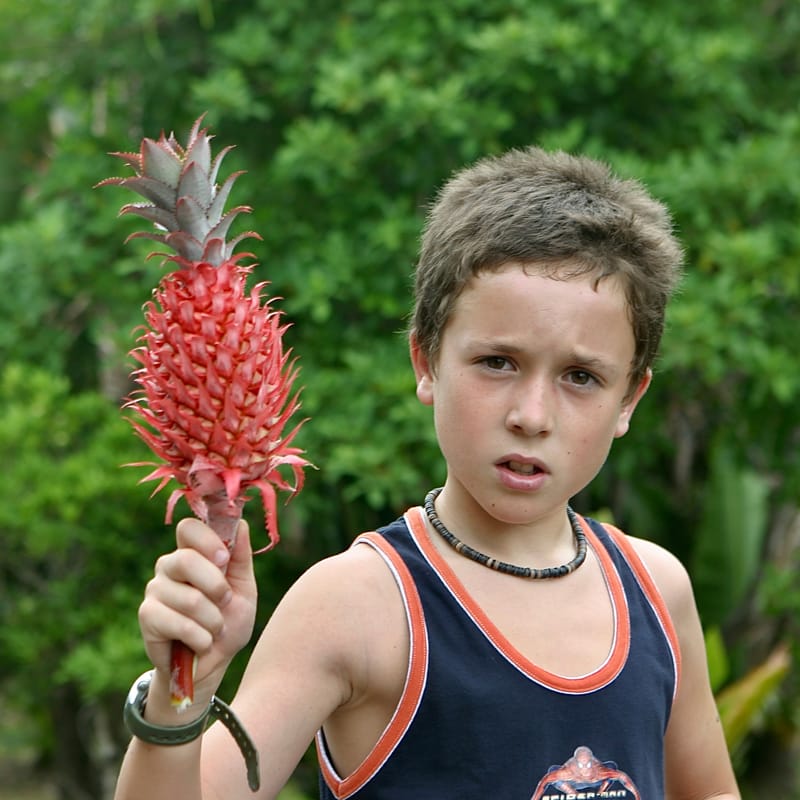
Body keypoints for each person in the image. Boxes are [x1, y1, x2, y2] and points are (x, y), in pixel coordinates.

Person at [114, 147, 741, 800]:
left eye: (581, 377)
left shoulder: (657, 590)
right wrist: (181, 693)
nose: (532, 415)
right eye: (497, 362)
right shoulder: (357, 605)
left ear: (629, 401)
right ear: (426, 361)